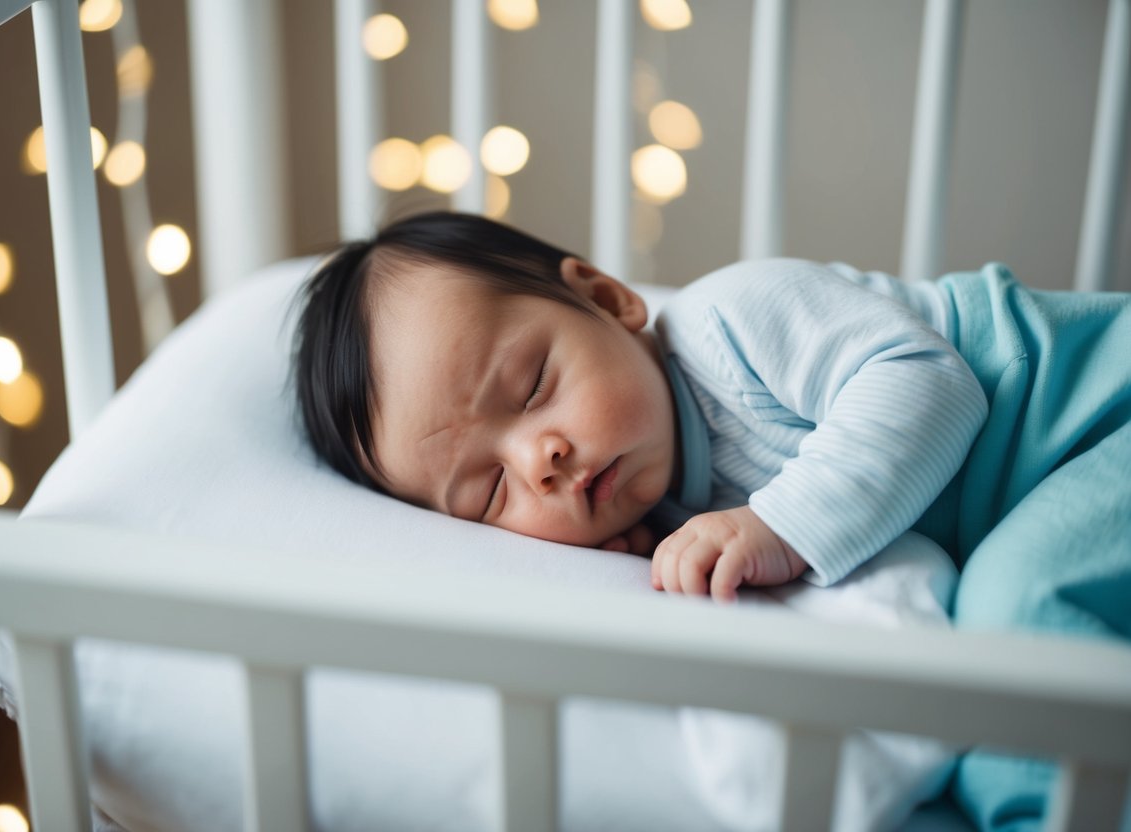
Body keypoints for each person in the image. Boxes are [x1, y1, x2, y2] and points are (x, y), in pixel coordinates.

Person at [294, 210, 1131, 832]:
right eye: (487, 492)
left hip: (1096, 415)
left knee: (1018, 604)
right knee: (993, 661)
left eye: (531, 386)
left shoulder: (733, 321)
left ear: (608, 298)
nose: (538, 458)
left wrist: (778, 524)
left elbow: (930, 384)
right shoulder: (662, 512)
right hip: (1054, 499)